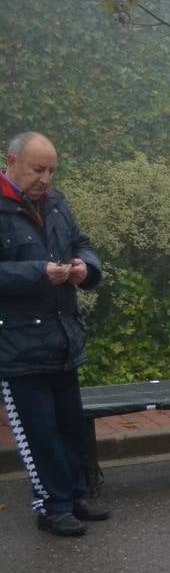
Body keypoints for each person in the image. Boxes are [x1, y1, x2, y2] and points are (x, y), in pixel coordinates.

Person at [0, 132, 105, 537]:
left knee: (69, 424)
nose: (46, 179)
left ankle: (77, 495)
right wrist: (37, 273)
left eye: (52, 170)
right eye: (38, 169)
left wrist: (84, 267)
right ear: (11, 161)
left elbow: (82, 243)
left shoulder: (56, 203)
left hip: (62, 336)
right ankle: (52, 505)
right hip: (16, 345)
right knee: (38, 430)